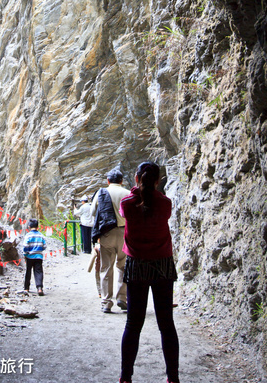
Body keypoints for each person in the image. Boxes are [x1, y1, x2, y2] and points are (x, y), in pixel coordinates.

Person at [118, 161, 180, 383]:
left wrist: (137, 189)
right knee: (166, 324)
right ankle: (173, 377)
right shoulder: (166, 203)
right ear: (157, 181)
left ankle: (126, 377)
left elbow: (129, 206)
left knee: (133, 324)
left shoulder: (127, 203)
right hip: (162, 264)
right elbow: (156, 203)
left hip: (137, 265)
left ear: (136, 179)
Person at [90, 166, 130, 313]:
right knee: (123, 266)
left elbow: (93, 212)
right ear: (122, 181)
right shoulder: (127, 193)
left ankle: (106, 302)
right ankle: (122, 298)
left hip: (106, 234)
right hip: (125, 234)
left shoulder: (102, 193)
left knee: (106, 268)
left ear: (108, 180)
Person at [22, 218, 47, 296]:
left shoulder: (28, 235)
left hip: (29, 256)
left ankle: (26, 288)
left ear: (29, 227)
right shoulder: (41, 235)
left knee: (28, 271)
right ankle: (39, 288)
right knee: (38, 272)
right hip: (39, 257)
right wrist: (39, 250)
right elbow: (45, 246)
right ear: (37, 227)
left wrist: (26, 253)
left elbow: (25, 246)